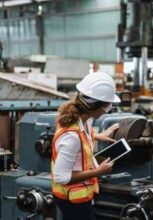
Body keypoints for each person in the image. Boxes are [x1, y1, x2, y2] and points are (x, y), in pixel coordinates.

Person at [51, 72, 121, 220]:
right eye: (107, 106)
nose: (106, 110)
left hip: (79, 196)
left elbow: (82, 136)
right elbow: (62, 177)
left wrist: (99, 135)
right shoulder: (72, 137)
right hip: (71, 199)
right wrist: (99, 171)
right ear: (96, 106)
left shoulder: (84, 119)